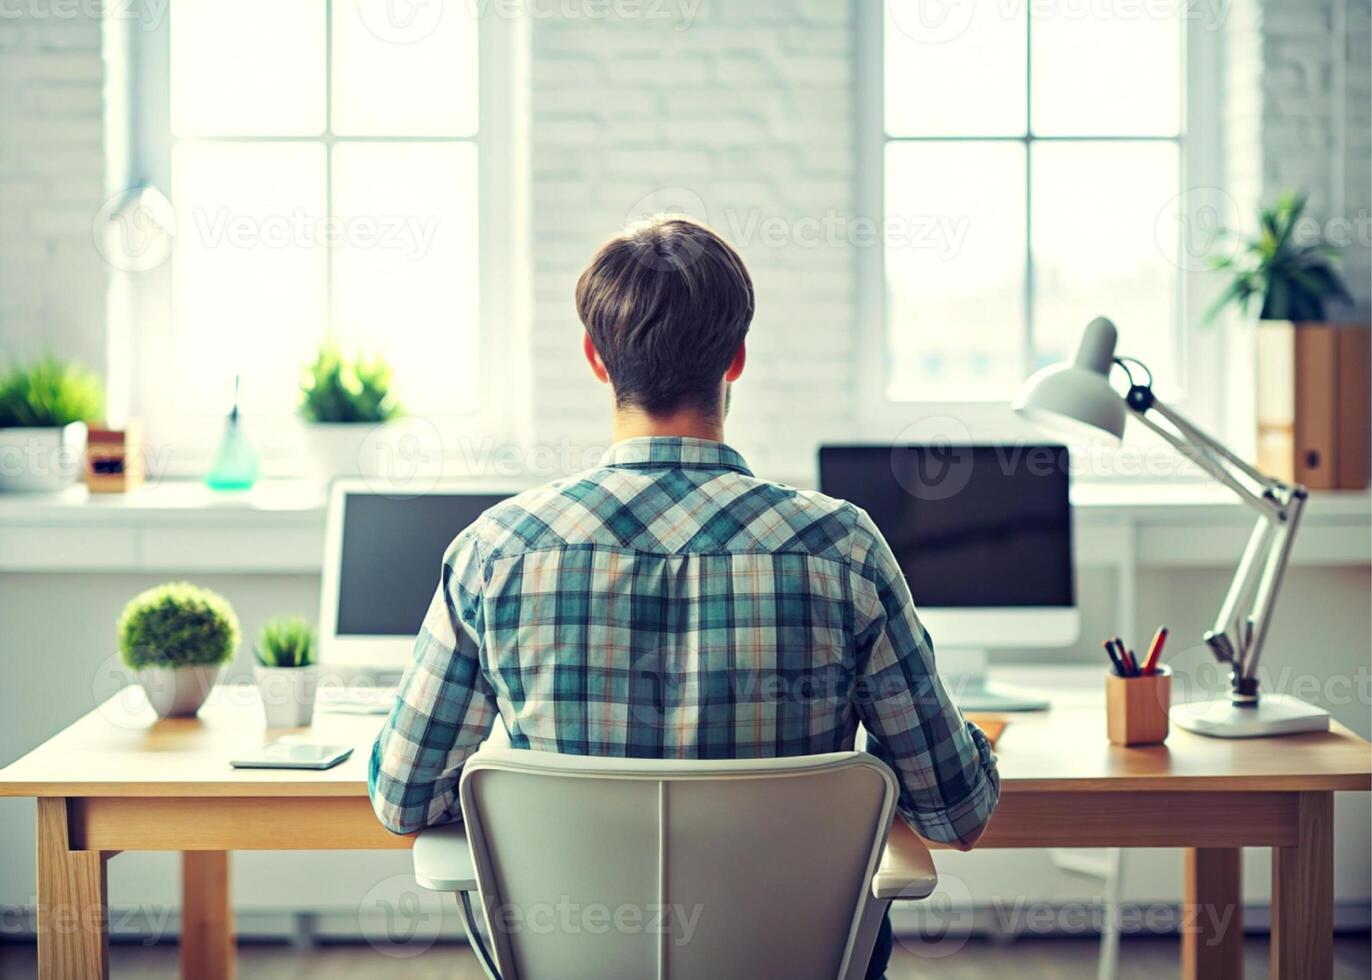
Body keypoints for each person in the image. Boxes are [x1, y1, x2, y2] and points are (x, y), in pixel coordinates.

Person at [368, 216, 1000, 978]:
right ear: (735, 359)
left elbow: (404, 798)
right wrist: (978, 742)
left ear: (596, 360)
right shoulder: (844, 550)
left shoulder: (495, 553)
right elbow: (954, 811)